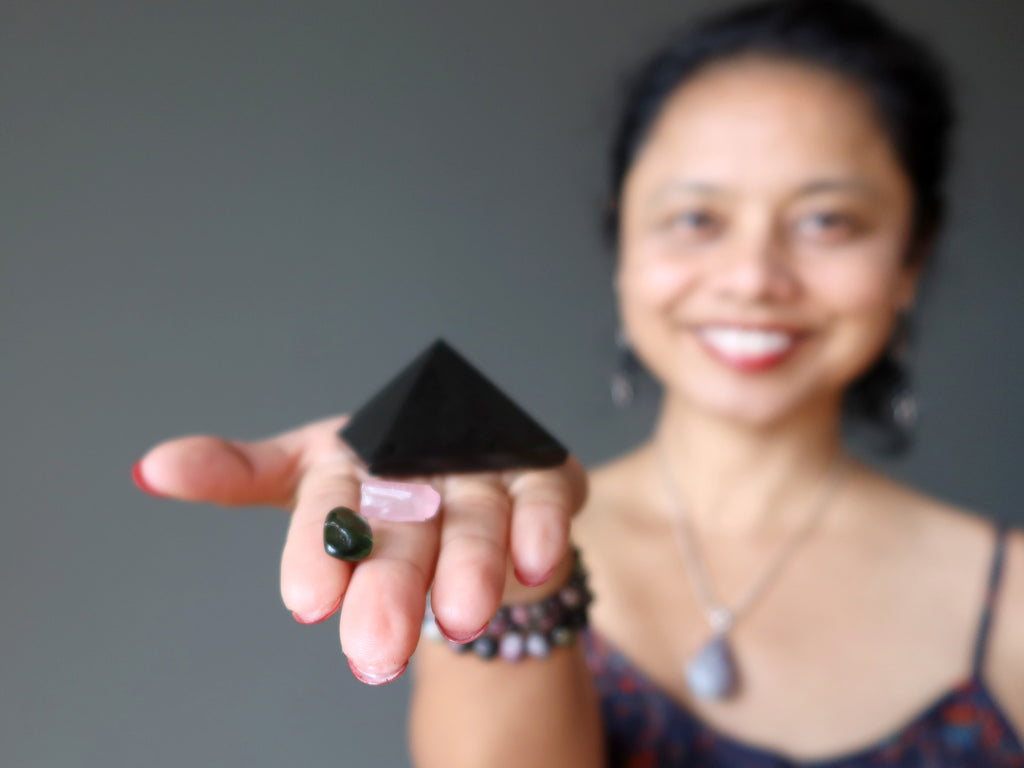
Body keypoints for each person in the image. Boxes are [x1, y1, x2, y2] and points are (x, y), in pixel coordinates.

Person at [131, 0, 1024, 765]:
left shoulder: (1010, 597)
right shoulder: (500, 536)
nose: (753, 275)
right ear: (623, 243)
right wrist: (530, 590)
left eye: (828, 220)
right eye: (696, 217)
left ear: (912, 257)